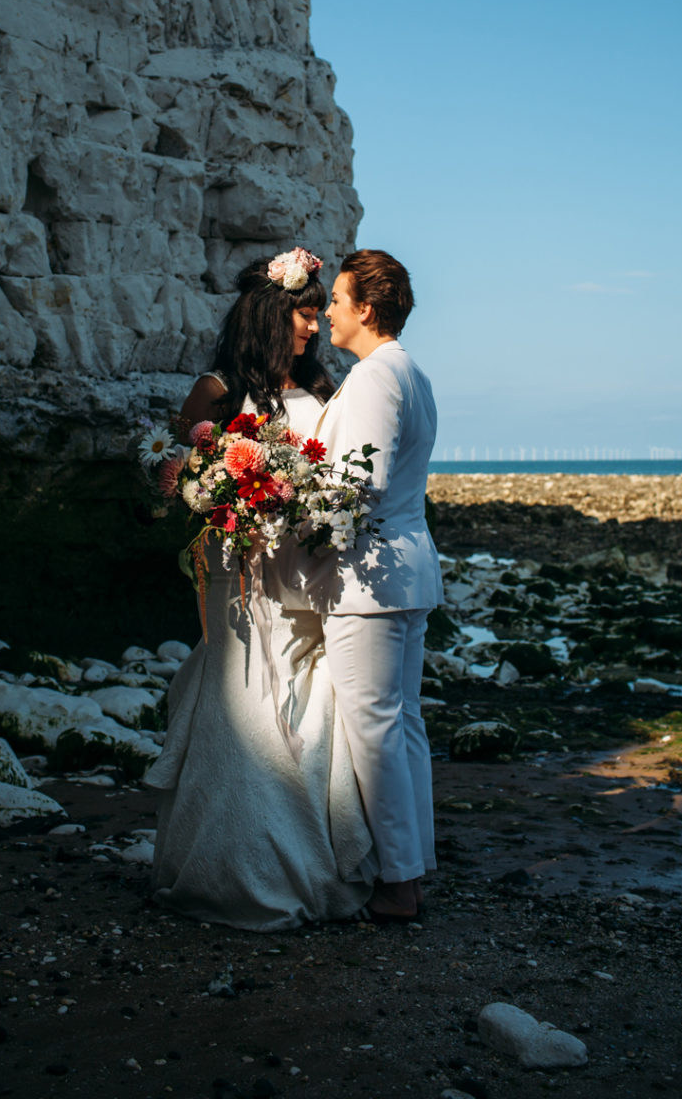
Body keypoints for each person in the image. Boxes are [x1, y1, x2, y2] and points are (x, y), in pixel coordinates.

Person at [144, 251, 376, 931]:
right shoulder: (215, 392)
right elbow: (170, 475)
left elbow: (334, 483)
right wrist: (210, 493)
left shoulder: (324, 396)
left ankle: (301, 865)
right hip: (233, 571)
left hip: (299, 574)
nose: (314, 328)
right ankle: (227, 870)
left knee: (303, 702)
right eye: (305, 315)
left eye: (315, 314)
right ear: (272, 317)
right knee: (239, 697)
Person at [307, 249, 443, 923]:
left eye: (336, 299)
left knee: (375, 729)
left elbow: (358, 484)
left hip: (373, 580)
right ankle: (414, 863)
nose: (326, 311)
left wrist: (289, 505)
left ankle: (398, 881)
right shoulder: (411, 374)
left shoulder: (371, 380)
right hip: (407, 568)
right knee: (403, 724)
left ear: (366, 307)